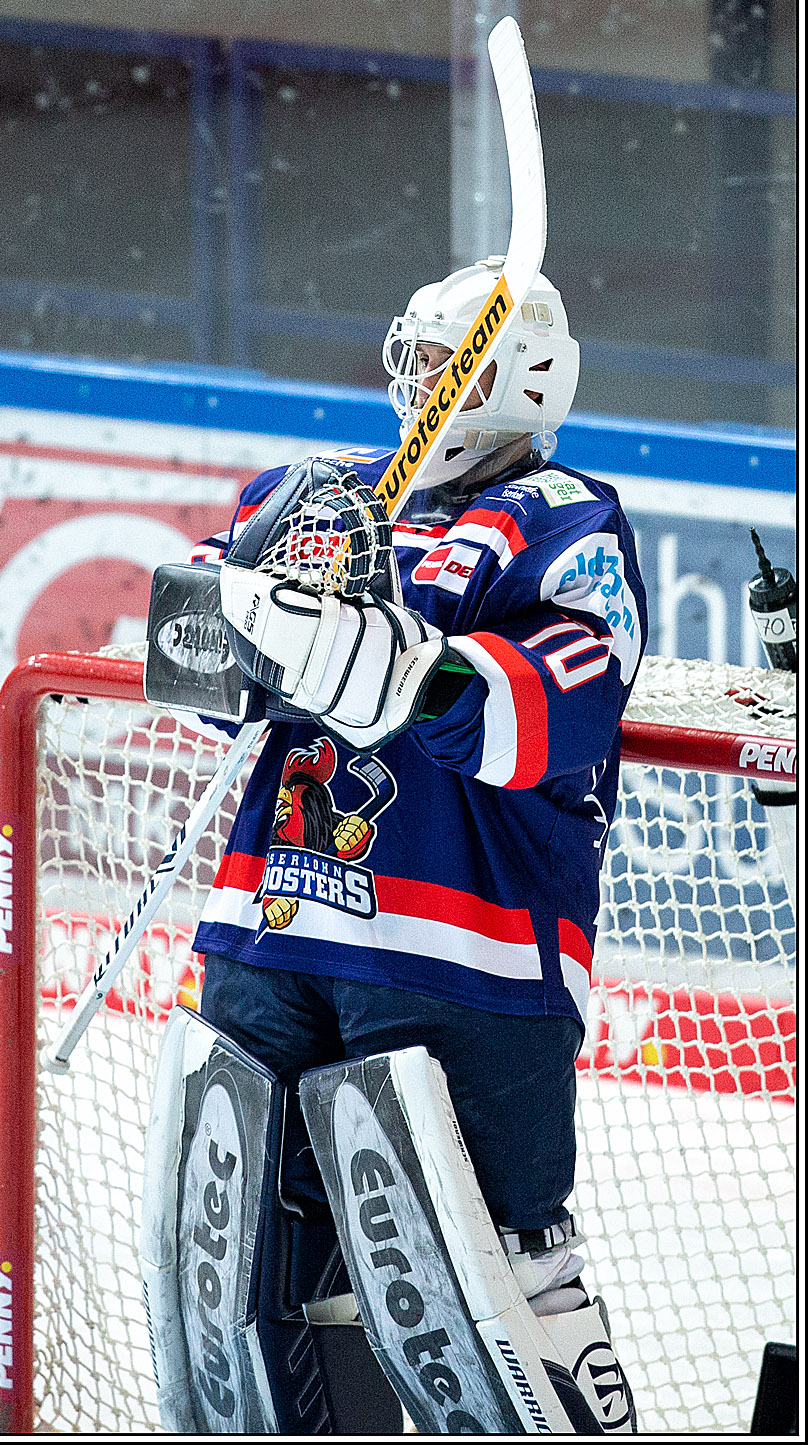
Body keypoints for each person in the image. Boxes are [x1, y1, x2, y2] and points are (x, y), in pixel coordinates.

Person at [176, 258, 645, 1432]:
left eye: (444, 365)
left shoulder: (562, 519)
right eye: (414, 359)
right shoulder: (317, 497)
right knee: (237, 1282)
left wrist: (420, 670)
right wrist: (248, 620)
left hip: (466, 955)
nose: (415, 384)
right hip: (273, 925)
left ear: (512, 383)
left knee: (490, 1292)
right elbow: (186, 649)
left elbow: (573, 694)